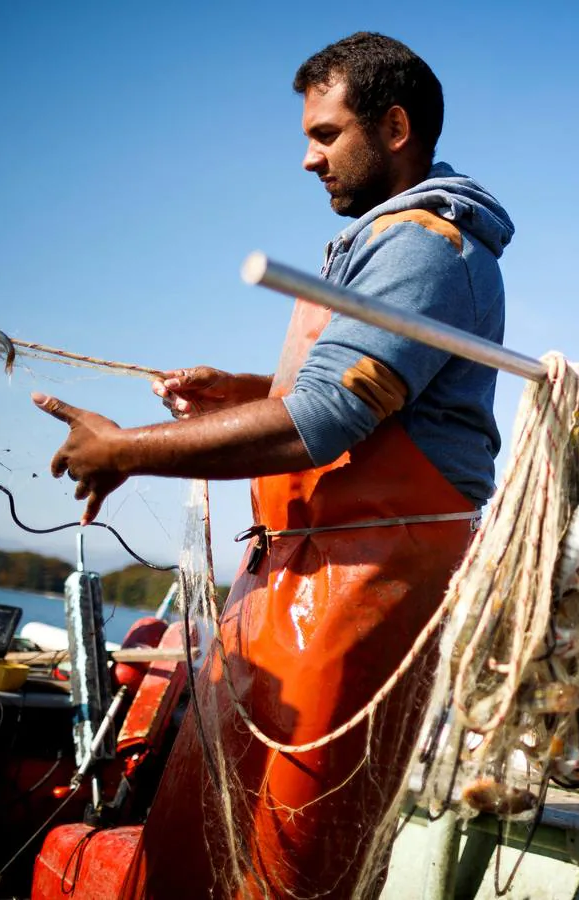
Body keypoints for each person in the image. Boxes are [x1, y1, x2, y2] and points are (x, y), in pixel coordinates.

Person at [34, 32, 514, 897]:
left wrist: (124, 451)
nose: (307, 158)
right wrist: (249, 390)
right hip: (289, 580)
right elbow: (360, 392)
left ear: (395, 127)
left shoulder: (424, 247)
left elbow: (327, 419)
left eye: (326, 135)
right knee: (203, 837)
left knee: (286, 861)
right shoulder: (378, 243)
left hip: (364, 587)